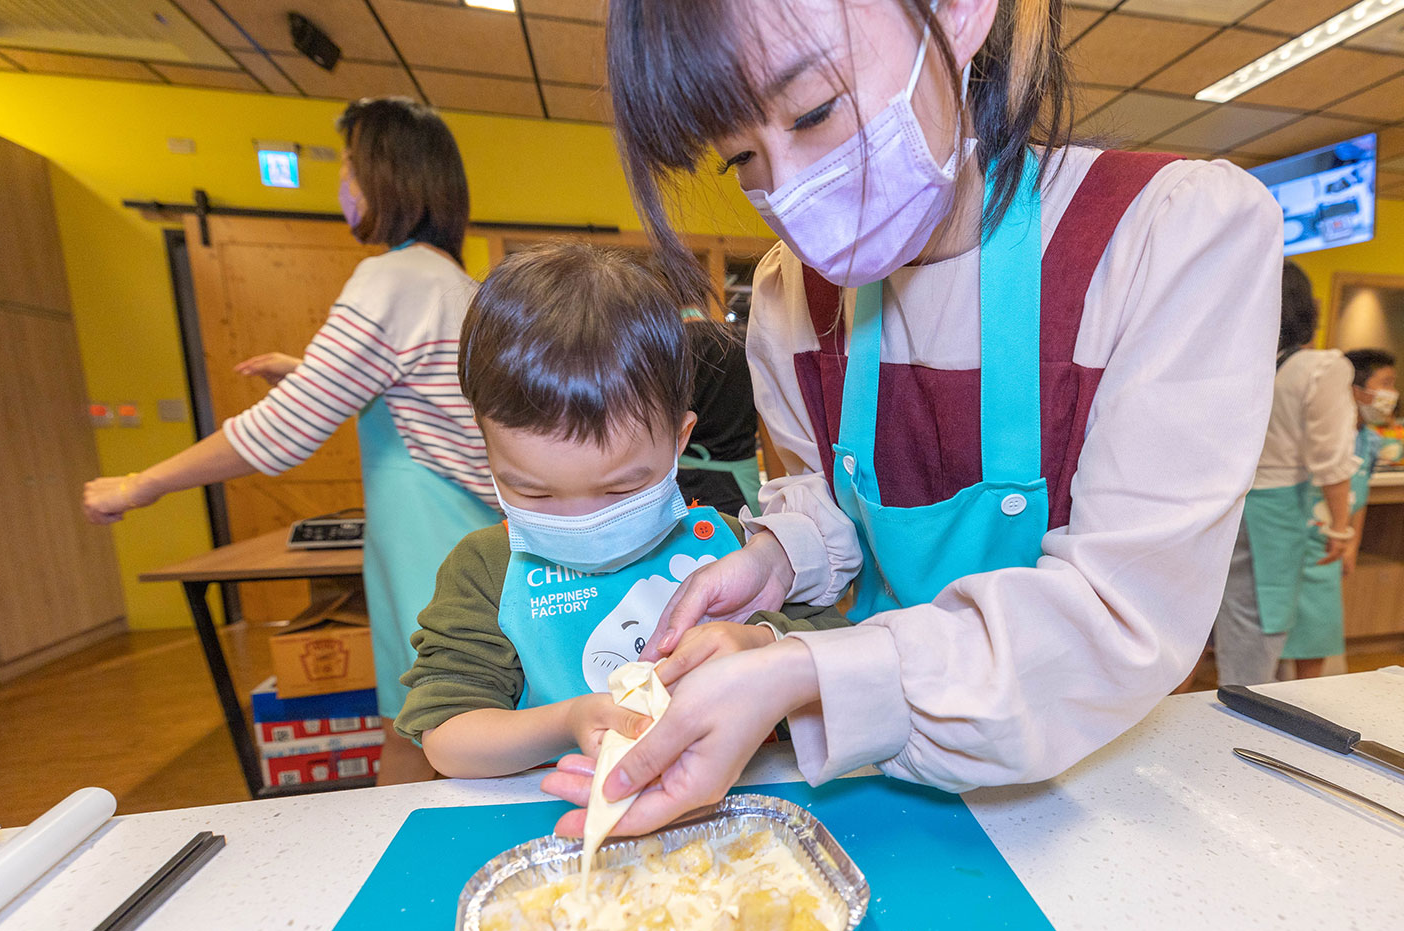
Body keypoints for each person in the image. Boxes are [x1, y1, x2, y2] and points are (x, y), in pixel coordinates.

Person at [538, 0, 1282, 838]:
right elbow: (832, 497)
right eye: (741, 158)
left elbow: (1117, 617)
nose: (788, 187)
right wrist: (779, 556)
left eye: (815, 111)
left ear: (961, 13)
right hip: (883, 767)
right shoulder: (792, 295)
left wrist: (801, 674)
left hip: (1099, 784)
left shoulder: (1168, 234)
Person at [80, 97, 493, 783]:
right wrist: (307, 371)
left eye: (347, 169)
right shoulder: (453, 283)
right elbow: (418, 392)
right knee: (444, 732)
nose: (341, 186)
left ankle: (403, 880)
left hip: (431, 546)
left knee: (421, 737)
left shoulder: (392, 278)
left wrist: (140, 483)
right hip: (460, 538)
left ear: (391, 179)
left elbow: (280, 433)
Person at [395, 244, 844, 777]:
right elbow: (446, 736)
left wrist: (762, 645)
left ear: (679, 441)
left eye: (617, 491)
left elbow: (844, 662)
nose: (580, 519)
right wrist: (567, 722)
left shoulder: (733, 551)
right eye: (535, 493)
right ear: (490, 452)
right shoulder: (487, 572)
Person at [1212, 262, 1357, 687]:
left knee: (1237, 625)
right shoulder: (1319, 368)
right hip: (1276, 512)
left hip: (1228, 506)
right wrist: (1342, 527)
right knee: (1260, 632)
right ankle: (1239, 728)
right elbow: (1331, 459)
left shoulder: (1231, 363)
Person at [1281, 348, 1388, 678]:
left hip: (1329, 546)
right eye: (1385, 383)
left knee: (1316, 636)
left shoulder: (1369, 441)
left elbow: (1359, 495)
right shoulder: (1313, 430)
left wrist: (1350, 542)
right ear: (1353, 388)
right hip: (1292, 537)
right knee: (1271, 634)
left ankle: (1302, 702)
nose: (1389, 393)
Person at [676, 315, 763, 516]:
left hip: (677, 482)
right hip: (740, 485)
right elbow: (767, 419)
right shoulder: (741, 344)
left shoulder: (666, 345)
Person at [1345, 348, 1404, 465]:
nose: (1394, 392)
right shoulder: (1330, 440)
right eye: (1386, 383)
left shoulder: (1370, 440)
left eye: (1393, 384)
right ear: (1356, 391)